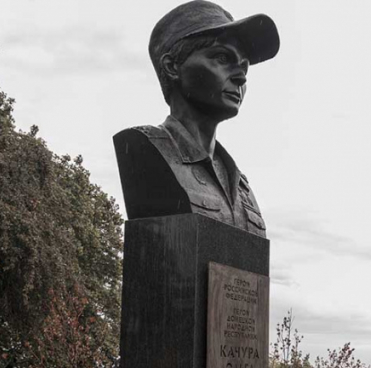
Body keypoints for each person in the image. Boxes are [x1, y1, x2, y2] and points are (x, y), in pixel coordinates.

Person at [114, 0, 279, 233]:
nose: (241, 77)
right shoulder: (144, 148)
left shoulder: (243, 188)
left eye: (244, 66)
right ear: (172, 67)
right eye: (222, 58)